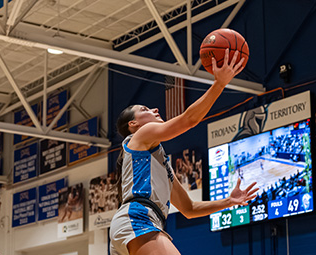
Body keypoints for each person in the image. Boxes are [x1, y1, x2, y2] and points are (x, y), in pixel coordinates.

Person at [109, 49, 259, 255]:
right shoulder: (142, 134)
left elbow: (189, 209)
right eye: (145, 109)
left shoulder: (156, 162)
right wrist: (220, 84)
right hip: (137, 219)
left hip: (135, 223)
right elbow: (189, 119)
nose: (155, 110)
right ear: (133, 124)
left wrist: (229, 202)